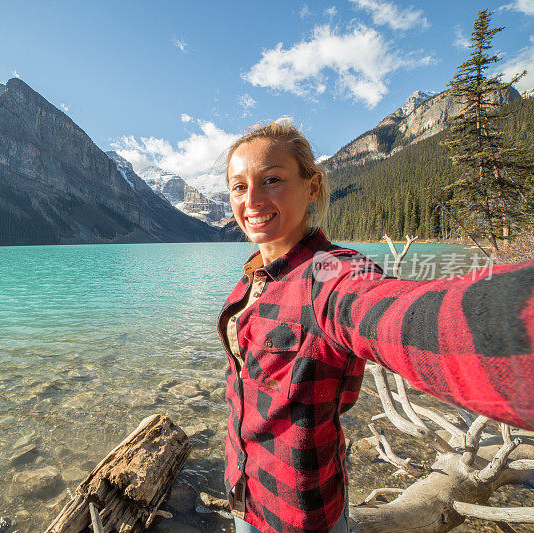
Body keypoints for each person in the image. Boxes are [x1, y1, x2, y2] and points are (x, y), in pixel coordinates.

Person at [217, 120, 534, 533]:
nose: (252, 200)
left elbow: (392, 314)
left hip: (298, 512)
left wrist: (513, 323)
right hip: (244, 492)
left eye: (271, 180)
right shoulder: (253, 277)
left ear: (312, 188)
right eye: (239, 187)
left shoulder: (330, 273)